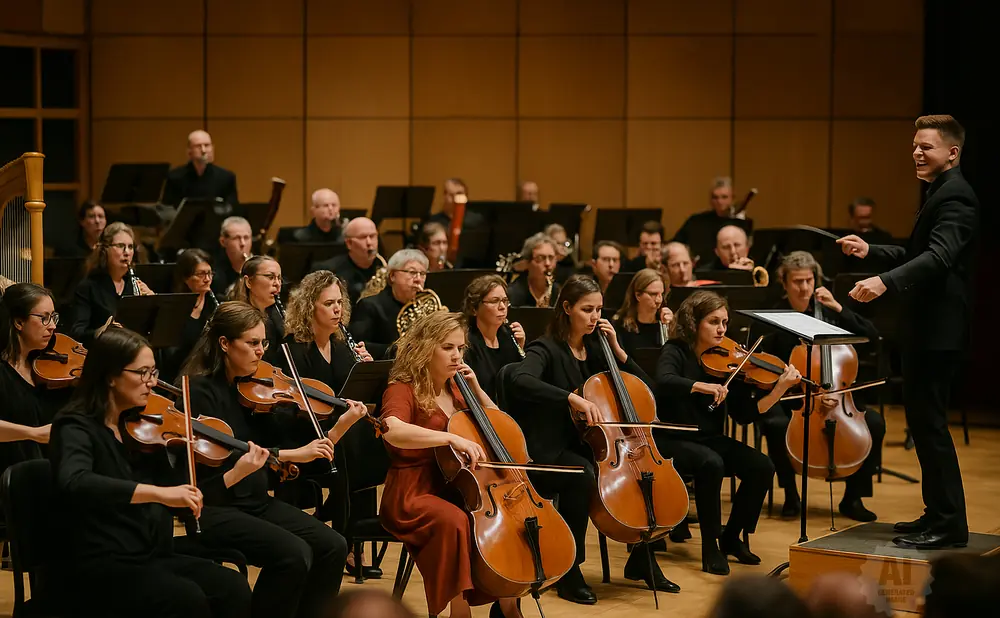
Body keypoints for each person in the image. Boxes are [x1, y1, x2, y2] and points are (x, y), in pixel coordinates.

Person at [838, 114, 979, 550]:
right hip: (925, 331)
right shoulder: (940, 191)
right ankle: (936, 514)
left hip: (938, 333)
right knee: (922, 425)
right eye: (915, 145)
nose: (917, 153)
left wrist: (884, 281)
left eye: (927, 147)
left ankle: (949, 523)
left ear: (952, 153)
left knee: (930, 427)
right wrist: (871, 251)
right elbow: (916, 251)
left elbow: (937, 258)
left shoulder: (957, 198)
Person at [179, 301, 367, 618]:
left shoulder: (257, 394)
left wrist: (339, 427)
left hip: (254, 501)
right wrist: (291, 455)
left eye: (263, 342)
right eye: (252, 343)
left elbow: (293, 454)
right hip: (216, 505)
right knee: (294, 554)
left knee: (332, 545)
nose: (261, 351)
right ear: (224, 344)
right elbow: (233, 460)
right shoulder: (198, 392)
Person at [49, 326, 252, 618]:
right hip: (98, 562)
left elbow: (175, 494)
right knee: (185, 599)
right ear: (110, 376)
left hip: (146, 554)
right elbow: (75, 482)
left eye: (153, 373)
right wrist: (156, 493)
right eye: (142, 373)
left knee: (232, 587)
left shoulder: (137, 428)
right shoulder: (74, 426)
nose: (151, 384)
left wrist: (215, 474)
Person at [509, 274, 677, 603]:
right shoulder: (545, 349)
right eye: (587, 309)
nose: (595, 317)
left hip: (593, 444)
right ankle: (569, 571)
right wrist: (571, 398)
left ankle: (643, 557)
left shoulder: (598, 349)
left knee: (640, 474)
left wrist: (617, 350)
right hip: (551, 447)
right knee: (583, 475)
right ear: (567, 308)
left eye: (599, 310)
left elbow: (646, 390)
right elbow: (519, 378)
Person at [377, 311, 525, 618]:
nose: (457, 356)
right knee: (456, 521)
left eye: (460, 348)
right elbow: (392, 428)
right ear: (425, 347)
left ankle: (507, 601)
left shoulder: (458, 389)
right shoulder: (402, 388)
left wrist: (479, 392)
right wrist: (448, 439)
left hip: (454, 484)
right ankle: (459, 610)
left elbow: (498, 428)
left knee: (494, 519)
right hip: (412, 492)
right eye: (448, 347)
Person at [655, 290, 799, 575]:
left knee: (761, 466)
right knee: (712, 464)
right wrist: (703, 386)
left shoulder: (730, 363)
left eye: (724, 321)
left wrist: (780, 388)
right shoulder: (675, 350)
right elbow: (664, 379)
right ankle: (710, 549)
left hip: (708, 438)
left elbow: (744, 415)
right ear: (694, 323)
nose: (722, 328)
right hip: (673, 438)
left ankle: (731, 537)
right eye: (713, 322)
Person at [752, 251, 885, 522]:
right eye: (797, 282)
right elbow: (757, 358)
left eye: (809, 281)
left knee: (875, 423)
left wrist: (838, 308)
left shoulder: (829, 312)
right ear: (784, 283)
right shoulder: (774, 315)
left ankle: (853, 498)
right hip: (790, 396)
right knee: (776, 425)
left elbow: (871, 336)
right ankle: (790, 494)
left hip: (836, 394)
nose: (804, 288)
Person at [0, 283, 70, 473]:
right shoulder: (3, 372)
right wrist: (33, 434)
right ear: (19, 323)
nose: (53, 326)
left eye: (54, 317)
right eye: (44, 318)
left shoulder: (50, 367)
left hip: (53, 469)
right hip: (12, 473)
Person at [70, 222, 154, 346]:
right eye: (121, 246)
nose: (127, 252)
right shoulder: (88, 287)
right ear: (105, 250)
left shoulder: (135, 285)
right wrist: (101, 332)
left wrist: (152, 301)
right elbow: (77, 333)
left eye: (130, 247)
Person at [349, 249, 427, 357]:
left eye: (422, 273)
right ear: (392, 276)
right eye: (412, 272)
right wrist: (397, 350)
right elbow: (357, 345)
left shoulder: (425, 306)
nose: (418, 279)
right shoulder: (369, 306)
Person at [461, 275, 525, 401]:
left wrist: (521, 347)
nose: (502, 307)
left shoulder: (508, 335)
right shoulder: (466, 342)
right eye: (494, 301)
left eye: (505, 301)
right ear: (474, 309)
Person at [310, 218, 382, 304]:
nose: (369, 242)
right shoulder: (328, 271)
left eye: (373, 236)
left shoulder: (383, 267)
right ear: (349, 243)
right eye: (363, 237)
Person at [162, 130, 239, 211]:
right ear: (189, 150)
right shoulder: (174, 177)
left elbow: (233, 209)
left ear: (212, 148)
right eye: (198, 146)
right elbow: (166, 209)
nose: (203, 150)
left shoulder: (226, 177)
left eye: (207, 145)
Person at [228, 255, 285, 365]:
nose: (277, 284)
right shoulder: (236, 321)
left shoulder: (275, 317)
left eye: (279, 278)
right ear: (249, 282)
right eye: (270, 277)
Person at [612, 269, 673, 357]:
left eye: (661, 294)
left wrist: (671, 328)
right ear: (638, 295)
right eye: (653, 294)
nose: (659, 300)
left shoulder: (664, 322)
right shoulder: (619, 325)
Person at [507, 233, 560, 308]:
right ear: (527, 262)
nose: (548, 263)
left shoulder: (556, 291)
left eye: (551, 257)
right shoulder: (513, 292)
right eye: (540, 258)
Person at [211, 216, 253, 296]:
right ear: (223, 241)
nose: (243, 243)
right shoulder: (214, 275)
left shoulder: (260, 268)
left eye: (246, 237)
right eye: (236, 238)